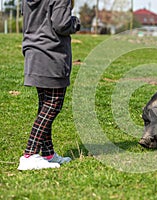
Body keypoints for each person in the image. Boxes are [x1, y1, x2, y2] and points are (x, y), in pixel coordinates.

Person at [17, 0, 81, 170]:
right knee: (53, 105)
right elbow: (61, 24)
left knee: (45, 104)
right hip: (52, 54)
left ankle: (47, 153)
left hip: (34, 52)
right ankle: (29, 154)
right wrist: (75, 22)